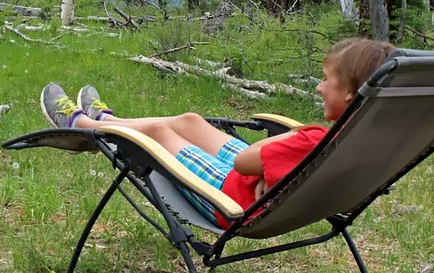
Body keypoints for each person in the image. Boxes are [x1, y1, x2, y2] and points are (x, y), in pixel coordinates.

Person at [39, 38, 395, 227]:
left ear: (350, 92)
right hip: (262, 192)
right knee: (191, 120)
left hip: (231, 201)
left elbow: (243, 162)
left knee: (164, 132)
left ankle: (84, 127)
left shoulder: (315, 140)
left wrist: (287, 140)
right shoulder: (369, 141)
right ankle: (107, 122)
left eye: (325, 79)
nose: (318, 88)